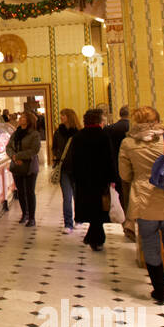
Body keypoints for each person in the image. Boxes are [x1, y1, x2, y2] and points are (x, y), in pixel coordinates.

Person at [118, 106, 164, 304]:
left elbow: (124, 175)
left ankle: (159, 291)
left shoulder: (127, 143)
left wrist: (141, 175)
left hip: (143, 201)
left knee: (150, 246)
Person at [64, 109, 113, 251]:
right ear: (99, 120)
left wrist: (76, 176)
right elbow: (109, 159)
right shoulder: (104, 135)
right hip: (100, 179)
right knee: (99, 209)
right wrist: (112, 178)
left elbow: (74, 159)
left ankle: (93, 237)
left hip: (84, 179)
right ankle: (96, 239)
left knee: (90, 208)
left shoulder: (79, 136)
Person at [6, 111, 41, 226]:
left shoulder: (34, 134)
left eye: (24, 117)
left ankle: (32, 217)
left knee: (30, 192)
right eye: (21, 117)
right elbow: (9, 147)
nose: (21, 119)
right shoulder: (16, 133)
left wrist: (19, 156)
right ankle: (24, 214)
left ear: (29, 120)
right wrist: (14, 157)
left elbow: (34, 150)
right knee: (20, 191)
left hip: (30, 166)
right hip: (17, 165)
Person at [105, 105, 133, 240]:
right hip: (132, 168)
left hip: (115, 168)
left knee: (122, 195)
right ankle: (131, 225)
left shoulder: (110, 129)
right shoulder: (132, 129)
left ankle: (126, 223)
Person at [51, 109, 80, 232]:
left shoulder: (78, 132)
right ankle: (68, 223)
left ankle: (78, 217)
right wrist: (57, 157)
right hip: (63, 169)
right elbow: (54, 147)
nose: (61, 117)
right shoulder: (58, 132)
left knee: (77, 196)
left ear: (69, 117)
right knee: (67, 197)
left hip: (77, 168)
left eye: (63, 115)